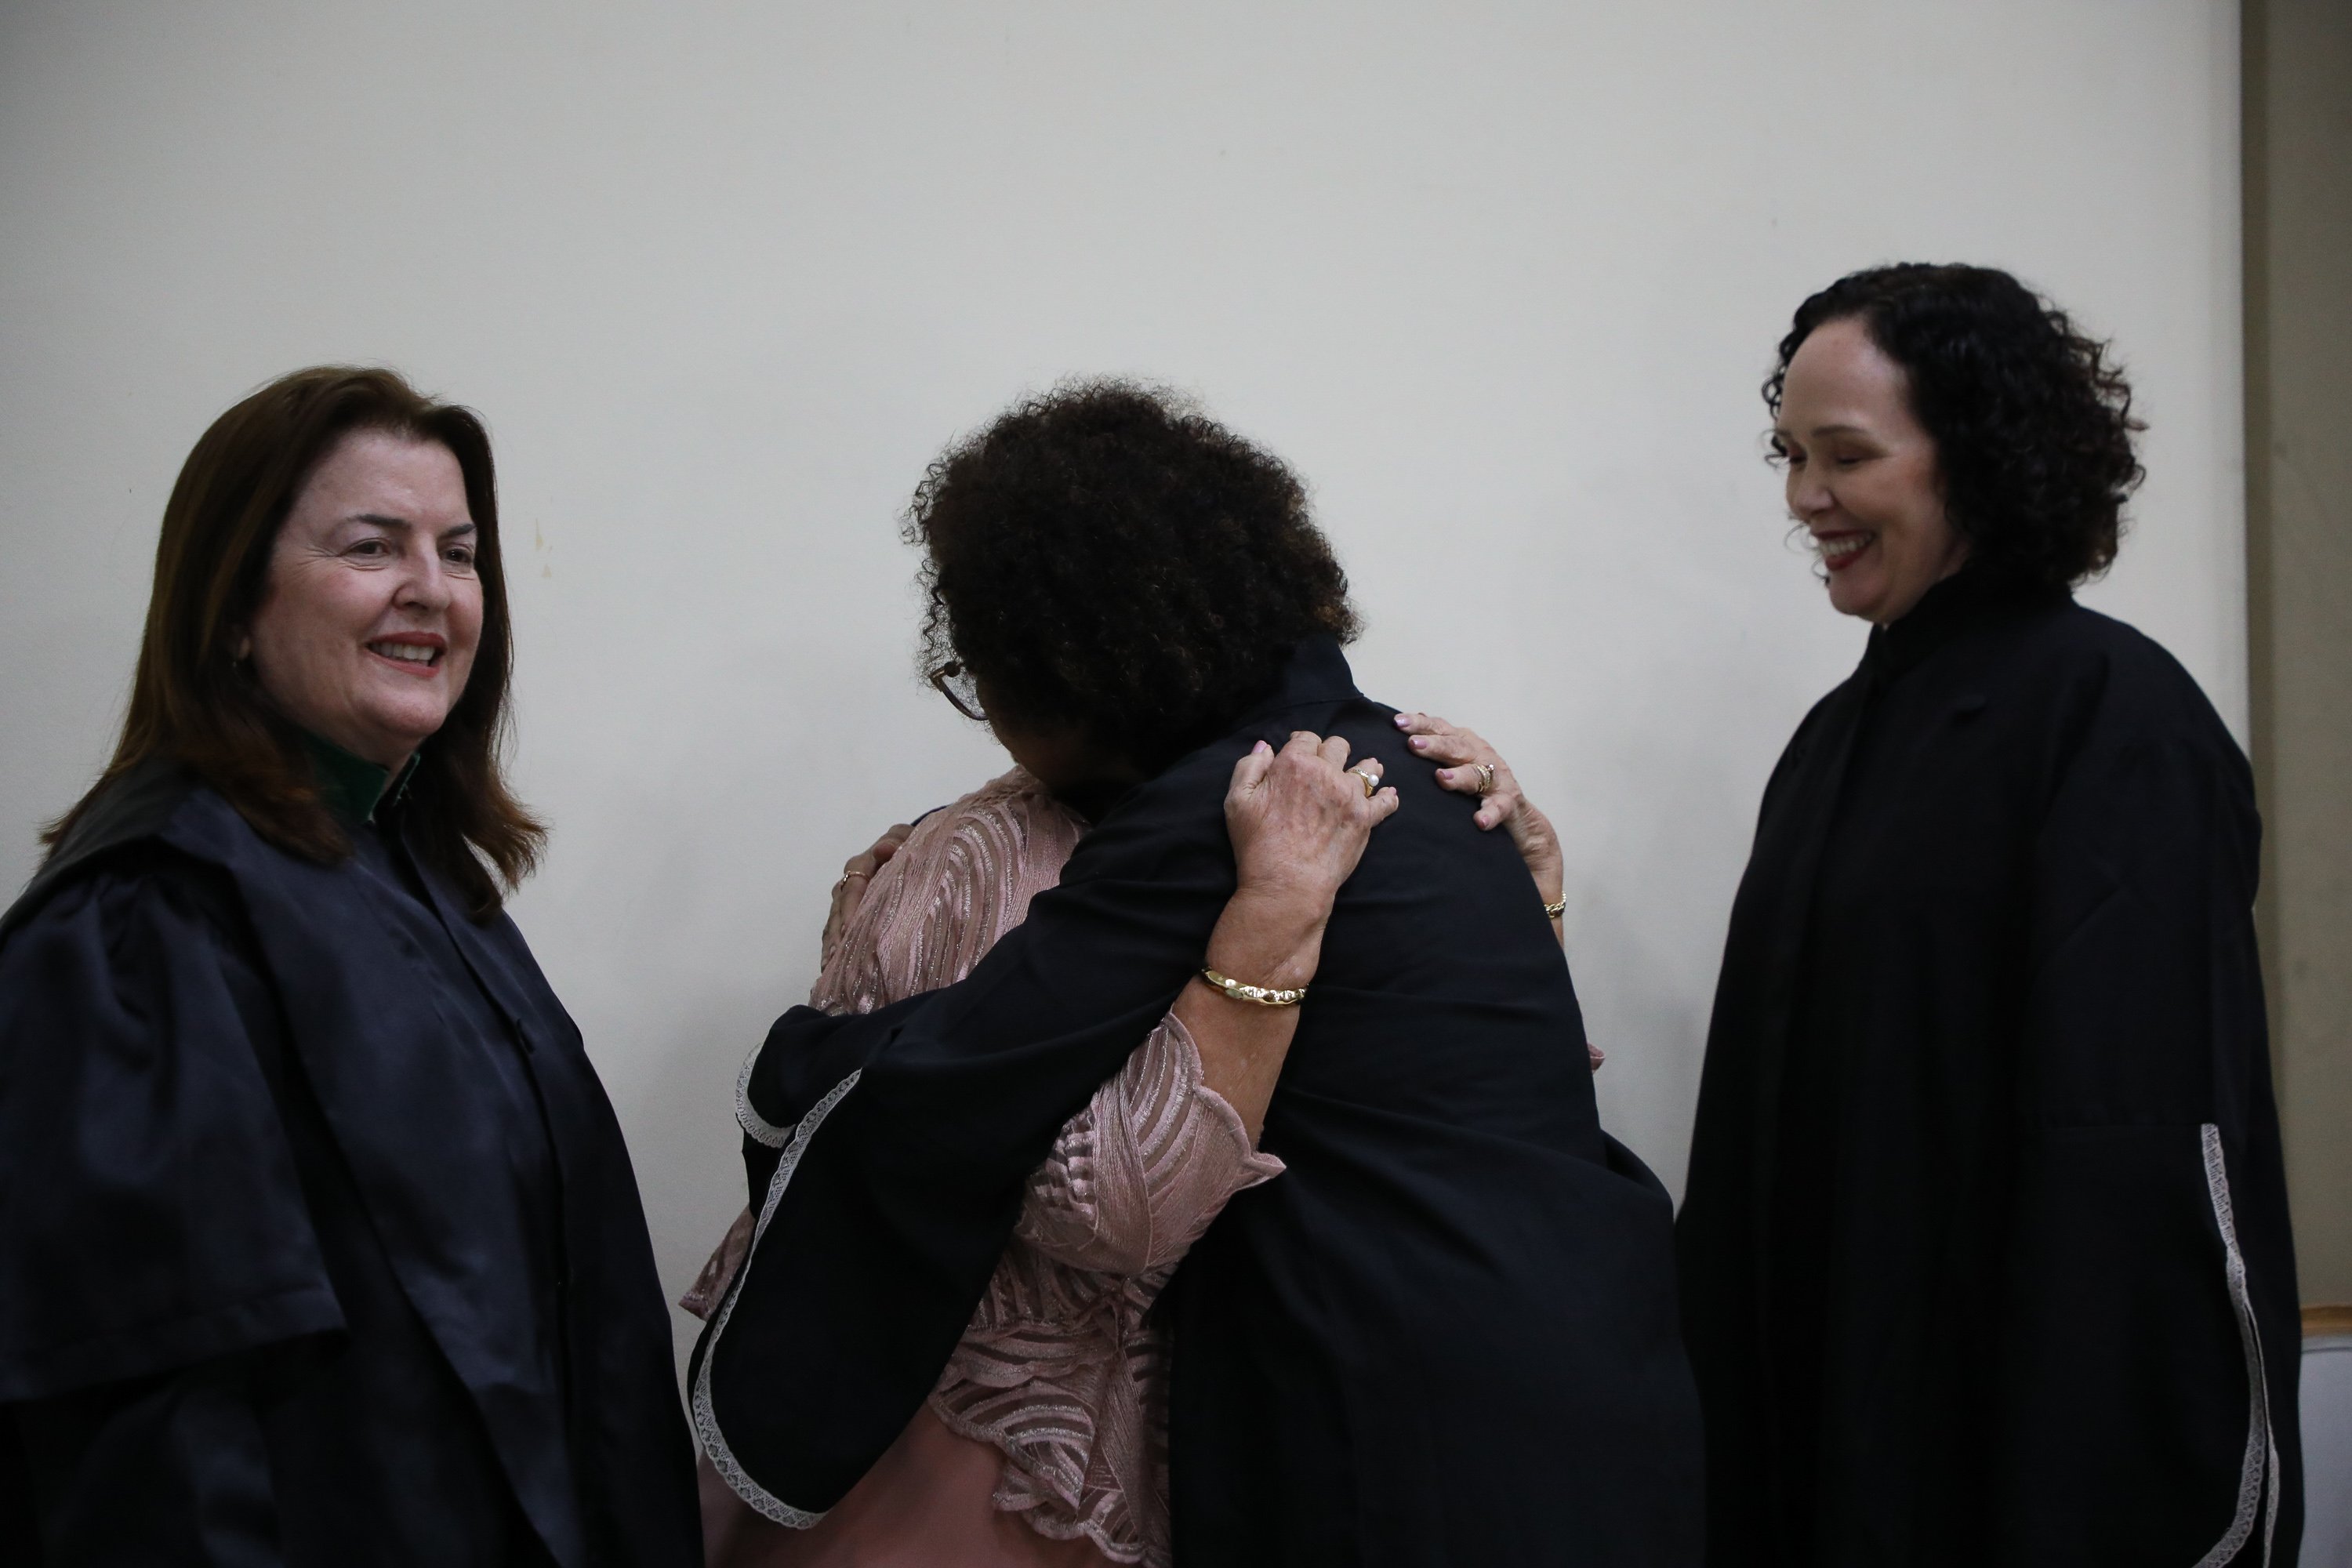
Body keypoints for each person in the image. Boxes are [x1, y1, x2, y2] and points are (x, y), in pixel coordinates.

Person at [694, 383, 1701, 1566]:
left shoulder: (1227, 814)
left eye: (975, 670)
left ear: (1057, 659)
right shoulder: (1427, 770)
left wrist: (807, 1049)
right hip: (1608, 1371)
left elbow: (992, 1094)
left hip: (1403, 1430)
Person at [0, 368, 700, 1565]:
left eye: (459, 553)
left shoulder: (421, 876)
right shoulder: (151, 918)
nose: (431, 587)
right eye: (372, 546)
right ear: (232, 606)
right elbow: (158, 1453)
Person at [1675, 263, 2303, 1563]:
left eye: (1847, 455)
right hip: (1828, 1438)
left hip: (2002, 1463)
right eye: (1791, 455)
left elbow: (2134, 1159)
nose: (1805, 498)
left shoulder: (2112, 717)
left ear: (1980, 456)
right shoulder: (1834, 742)